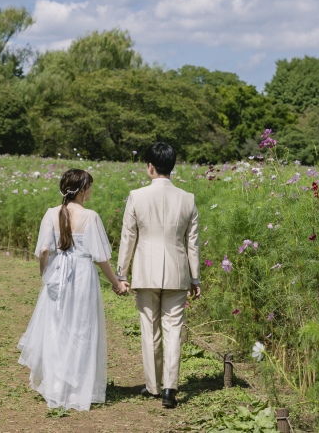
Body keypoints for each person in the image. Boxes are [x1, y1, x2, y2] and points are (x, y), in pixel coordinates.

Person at [17, 168, 128, 411]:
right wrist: (116, 282)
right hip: (82, 276)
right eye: (89, 187)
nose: (91, 191)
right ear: (81, 191)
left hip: (58, 275)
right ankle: (78, 388)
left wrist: (45, 274)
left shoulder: (50, 214)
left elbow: (44, 250)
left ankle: (56, 386)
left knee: (57, 327)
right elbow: (100, 258)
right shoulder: (91, 217)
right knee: (81, 328)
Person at [116, 142, 200, 409]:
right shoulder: (188, 198)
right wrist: (195, 277)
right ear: (172, 166)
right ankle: (170, 389)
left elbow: (128, 237)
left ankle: (153, 386)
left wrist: (122, 272)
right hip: (177, 272)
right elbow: (193, 243)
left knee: (149, 327)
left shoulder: (136, 196)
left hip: (145, 271)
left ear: (150, 167)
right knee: (173, 330)